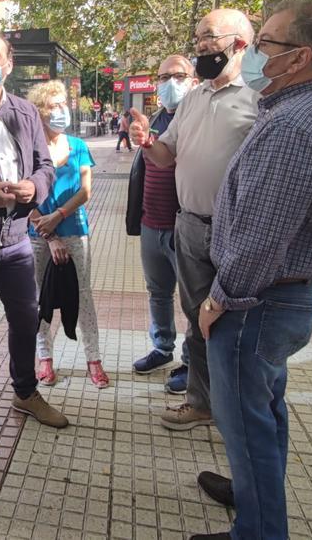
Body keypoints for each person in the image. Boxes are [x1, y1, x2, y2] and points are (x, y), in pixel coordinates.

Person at [190, 0, 312, 540]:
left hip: (257, 303)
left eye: (266, 44)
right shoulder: (298, 111)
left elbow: (262, 235)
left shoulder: (293, 126)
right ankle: (251, 493)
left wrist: (220, 299)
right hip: (277, 299)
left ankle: (257, 531)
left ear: (299, 56)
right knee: (264, 410)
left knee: (247, 427)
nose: (255, 52)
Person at [129, 8, 258, 429]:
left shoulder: (260, 98)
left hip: (237, 232)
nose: (201, 44)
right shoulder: (194, 99)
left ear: (239, 43)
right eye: (198, 37)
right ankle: (202, 403)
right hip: (190, 227)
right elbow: (166, 157)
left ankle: (239, 412)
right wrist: (147, 142)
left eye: (209, 37)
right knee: (196, 318)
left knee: (234, 324)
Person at [0, 31, 66, 451]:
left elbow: (45, 166)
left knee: (26, 318)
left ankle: (25, 392)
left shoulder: (24, 111)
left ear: (9, 63)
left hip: (18, 236)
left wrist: (33, 187)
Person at [26, 80, 108, 389]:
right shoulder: (30, 148)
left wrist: (58, 216)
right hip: (37, 233)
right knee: (39, 297)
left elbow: (85, 191)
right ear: (40, 112)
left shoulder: (78, 146)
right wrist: (47, 232)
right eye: (53, 106)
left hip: (74, 228)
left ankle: (94, 359)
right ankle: (45, 358)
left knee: (83, 296)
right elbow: (24, 198)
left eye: (64, 105)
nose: (61, 111)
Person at [125, 55, 196, 390]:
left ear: (194, 81)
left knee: (193, 299)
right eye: (164, 76)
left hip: (187, 225)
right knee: (158, 292)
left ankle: (193, 363)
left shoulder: (198, 118)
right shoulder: (153, 118)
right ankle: (162, 348)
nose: (170, 82)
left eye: (178, 75)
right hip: (152, 223)